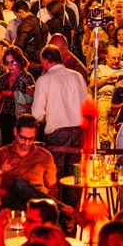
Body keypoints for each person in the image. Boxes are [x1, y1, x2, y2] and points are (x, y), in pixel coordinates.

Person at [31, 45, 87, 177]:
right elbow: (86, 106)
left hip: (57, 135)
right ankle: (74, 198)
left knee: (55, 176)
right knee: (75, 177)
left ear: (45, 60)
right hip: (78, 134)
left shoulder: (44, 80)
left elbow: (37, 114)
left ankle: (57, 198)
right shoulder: (77, 76)